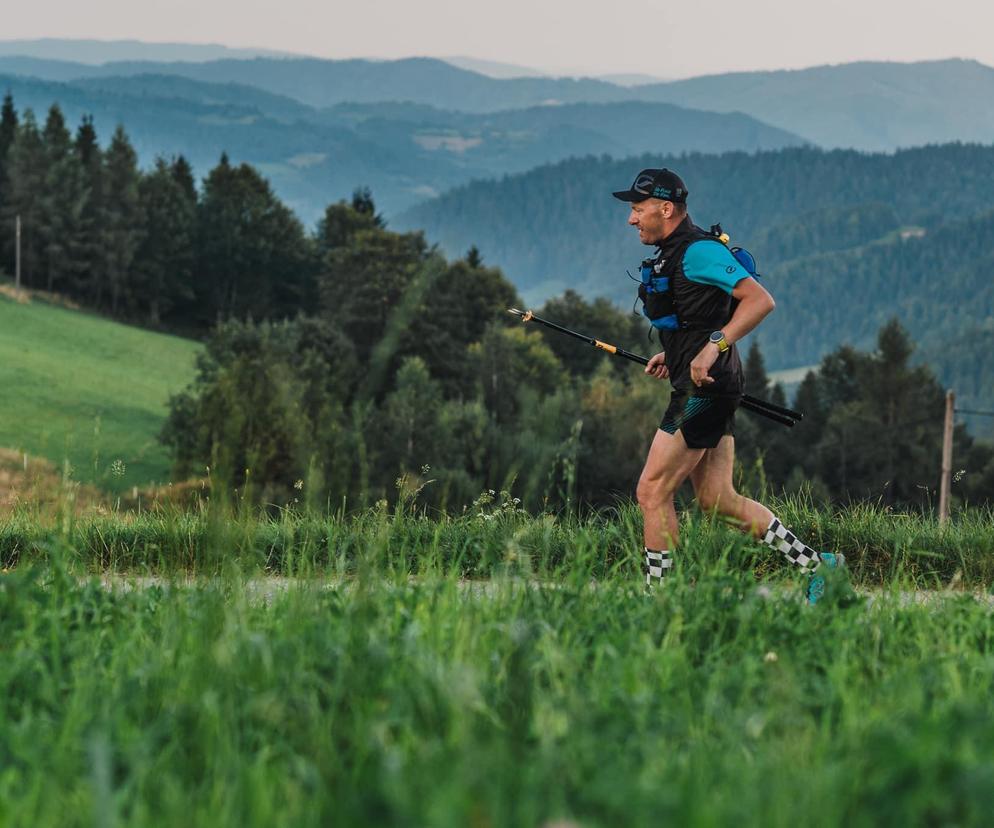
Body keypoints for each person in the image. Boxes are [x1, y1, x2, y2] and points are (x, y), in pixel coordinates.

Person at [612, 167, 843, 604]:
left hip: (704, 392)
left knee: (651, 490)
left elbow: (760, 300)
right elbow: (697, 316)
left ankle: (663, 599)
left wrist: (712, 345)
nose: (631, 219)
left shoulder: (697, 250)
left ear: (665, 208)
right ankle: (819, 567)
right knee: (717, 499)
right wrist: (678, 351)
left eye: (638, 210)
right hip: (704, 382)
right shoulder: (673, 252)